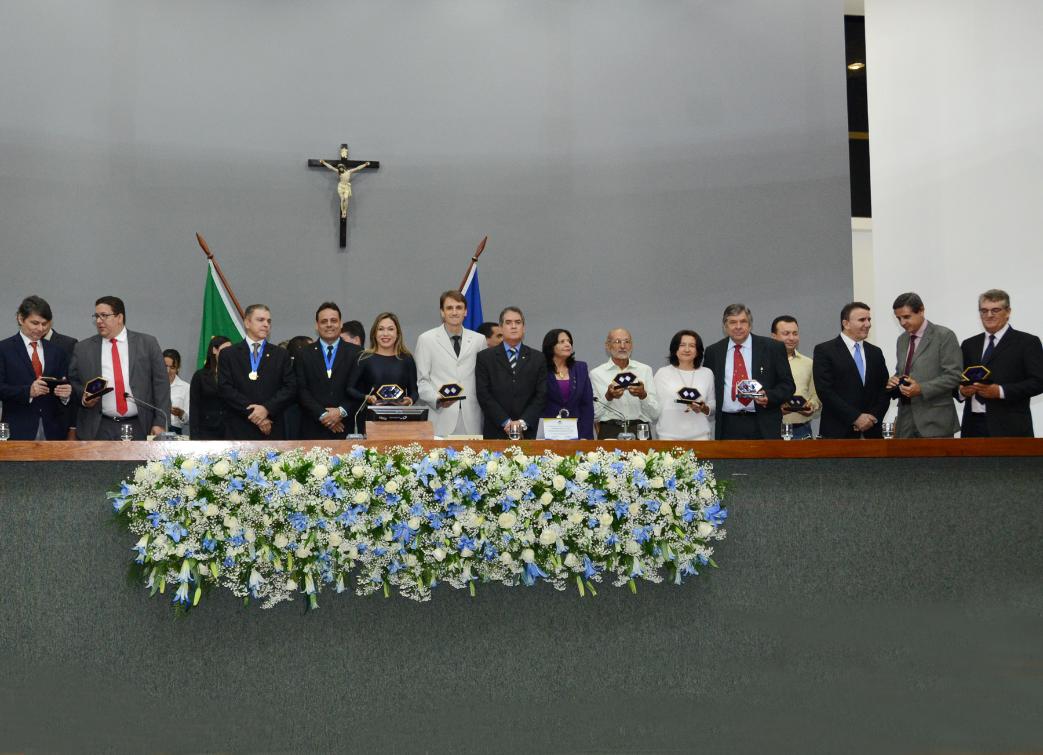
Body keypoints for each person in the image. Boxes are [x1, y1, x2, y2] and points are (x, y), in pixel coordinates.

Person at [69, 296, 170, 440]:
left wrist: (160, 422)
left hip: (141, 425)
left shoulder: (147, 344)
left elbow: (161, 386)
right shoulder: (83, 348)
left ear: (120, 317)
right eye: (96, 316)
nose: (98, 321)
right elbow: (73, 382)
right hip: (99, 426)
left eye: (104, 315)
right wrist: (84, 399)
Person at [958, 288, 1043, 437]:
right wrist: (961, 392)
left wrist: (1001, 391)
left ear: (1008, 312)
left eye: (995, 310)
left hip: (1010, 427)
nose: (989, 315)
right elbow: (957, 379)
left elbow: (1039, 382)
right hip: (972, 426)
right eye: (983, 311)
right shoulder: (969, 344)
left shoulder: (1027, 342)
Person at [702, 304, 794, 440]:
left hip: (764, 423)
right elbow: (709, 389)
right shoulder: (713, 352)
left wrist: (769, 396)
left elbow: (788, 386)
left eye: (743, 321)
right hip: (728, 425)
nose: (738, 326)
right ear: (725, 326)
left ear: (750, 325)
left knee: (768, 462)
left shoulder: (773, 348)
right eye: (733, 322)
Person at [885, 292, 962, 438]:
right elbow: (903, 371)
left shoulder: (944, 336)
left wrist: (921, 388)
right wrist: (894, 380)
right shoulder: (902, 340)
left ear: (921, 310)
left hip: (936, 420)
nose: (902, 323)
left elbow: (954, 376)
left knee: (935, 462)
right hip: (905, 419)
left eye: (906, 317)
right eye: (898, 318)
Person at [218, 304, 297, 440]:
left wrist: (266, 409)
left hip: (272, 427)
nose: (266, 324)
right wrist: (256, 415)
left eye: (268, 321)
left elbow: (290, 388)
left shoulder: (281, 354)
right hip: (239, 427)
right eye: (260, 320)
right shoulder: (228, 354)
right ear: (247, 323)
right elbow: (225, 388)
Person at [813, 302, 891, 439]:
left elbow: (884, 389)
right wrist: (855, 418)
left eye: (869, 319)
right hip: (838, 432)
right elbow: (825, 391)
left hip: (872, 432)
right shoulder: (825, 351)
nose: (868, 324)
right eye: (862, 320)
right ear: (846, 323)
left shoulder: (875, 352)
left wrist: (872, 417)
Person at [0, 295, 74, 440]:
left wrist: (66, 394)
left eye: (45, 324)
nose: (40, 329)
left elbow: (65, 383)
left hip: (54, 430)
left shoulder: (57, 351)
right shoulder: (4, 349)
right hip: (18, 429)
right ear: (20, 319)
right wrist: (28, 391)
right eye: (35, 323)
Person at [414, 291, 485, 437]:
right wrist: (437, 399)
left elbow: (484, 379)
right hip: (440, 415)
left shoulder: (479, 340)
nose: (454, 312)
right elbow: (422, 381)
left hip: (472, 417)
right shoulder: (426, 339)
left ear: (465, 312)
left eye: (459, 308)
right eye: (449, 308)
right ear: (442, 312)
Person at [475, 307, 547, 439]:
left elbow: (541, 395)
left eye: (518, 322)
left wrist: (522, 423)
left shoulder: (538, 358)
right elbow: (484, 394)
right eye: (508, 323)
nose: (513, 326)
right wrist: (506, 422)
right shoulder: (485, 357)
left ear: (524, 327)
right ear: (501, 328)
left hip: (528, 432)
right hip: (496, 431)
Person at [296, 302, 362, 439]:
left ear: (341, 323)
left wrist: (340, 412)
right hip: (313, 428)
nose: (329, 324)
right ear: (317, 325)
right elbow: (301, 390)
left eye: (333, 320)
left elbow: (360, 388)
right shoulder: (303, 354)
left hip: (347, 427)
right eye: (324, 321)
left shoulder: (357, 353)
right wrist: (324, 415)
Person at [590, 328, 660, 439]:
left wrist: (643, 395)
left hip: (639, 430)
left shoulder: (645, 370)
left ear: (631, 346)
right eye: (617, 342)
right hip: (610, 430)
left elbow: (655, 414)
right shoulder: (596, 374)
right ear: (608, 346)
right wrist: (608, 397)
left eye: (627, 341)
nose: (623, 346)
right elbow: (593, 415)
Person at [348, 313, 419, 417]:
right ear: (374, 333)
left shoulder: (407, 358)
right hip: (371, 419)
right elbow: (350, 388)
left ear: (397, 333)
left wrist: (410, 400)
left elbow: (414, 391)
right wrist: (366, 397)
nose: (385, 334)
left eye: (390, 329)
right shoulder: (364, 358)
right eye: (381, 329)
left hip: (400, 418)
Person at [653, 330, 715, 441]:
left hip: (700, 437)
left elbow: (712, 403)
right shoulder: (662, 373)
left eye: (692, 346)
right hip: (668, 437)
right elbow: (654, 406)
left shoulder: (707, 373)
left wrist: (704, 408)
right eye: (682, 345)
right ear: (675, 349)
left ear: (698, 350)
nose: (687, 349)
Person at [771, 316, 820, 440]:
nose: (791, 338)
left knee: (804, 460)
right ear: (774, 336)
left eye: (795, 333)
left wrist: (812, 405)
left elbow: (816, 394)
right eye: (786, 333)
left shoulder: (809, 363)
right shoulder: (762, 363)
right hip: (771, 428)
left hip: (801, 430)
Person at [541, 328, 595, 439]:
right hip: (548, 432)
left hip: (577, 431)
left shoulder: (581, 368)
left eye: (569, 341)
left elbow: (587, 405)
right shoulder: (540, 369)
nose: (568, 344)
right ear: (551, 346)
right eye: (562, 342)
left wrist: (585, 436)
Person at [189, 335, 231, 440]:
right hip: (206, 432)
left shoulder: (234, 375)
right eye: (225, 350)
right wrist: (194, 437)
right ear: (214, 350)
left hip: (230, 432)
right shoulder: (200, 376)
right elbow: (194, 408)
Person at [162, 349, 190, 435]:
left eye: (172, 367)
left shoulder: (186, 387)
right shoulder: (151, 385)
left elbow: (188, 420)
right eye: (165, 366)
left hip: (174, 431)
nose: (168, 371)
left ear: (178, 368)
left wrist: (181, 414)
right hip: (154, 429)